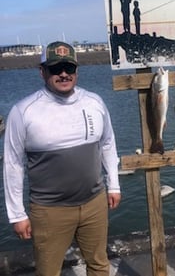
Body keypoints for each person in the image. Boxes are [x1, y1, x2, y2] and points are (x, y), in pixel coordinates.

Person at [3, 41, 122, 276]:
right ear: (42, 71)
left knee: (99, 264)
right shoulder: (23, 111)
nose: (64, 74)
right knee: (48, 271)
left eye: (69, 67)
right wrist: (17, 214)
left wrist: (114, 185)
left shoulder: (94, 102)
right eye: (56, 69)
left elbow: (108, 143)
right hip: (49, 210)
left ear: (77, 70)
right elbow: (12, 164)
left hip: (94, 203)